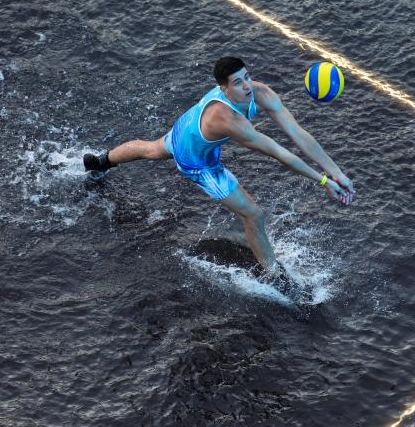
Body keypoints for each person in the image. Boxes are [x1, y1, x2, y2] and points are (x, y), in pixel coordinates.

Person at [84, 56, 355, 280]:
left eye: (247, 76)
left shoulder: (259, 92)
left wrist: (336, 172)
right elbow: (278, 152)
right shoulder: (228, 120)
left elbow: (297, 133)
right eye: (238, 83)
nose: (247, 86)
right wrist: (322, 182)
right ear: (224, 89)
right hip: (196, 160)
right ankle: (275, 277)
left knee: (153, 149)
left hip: (187, 128)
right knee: (254, 215)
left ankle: (102, 161)